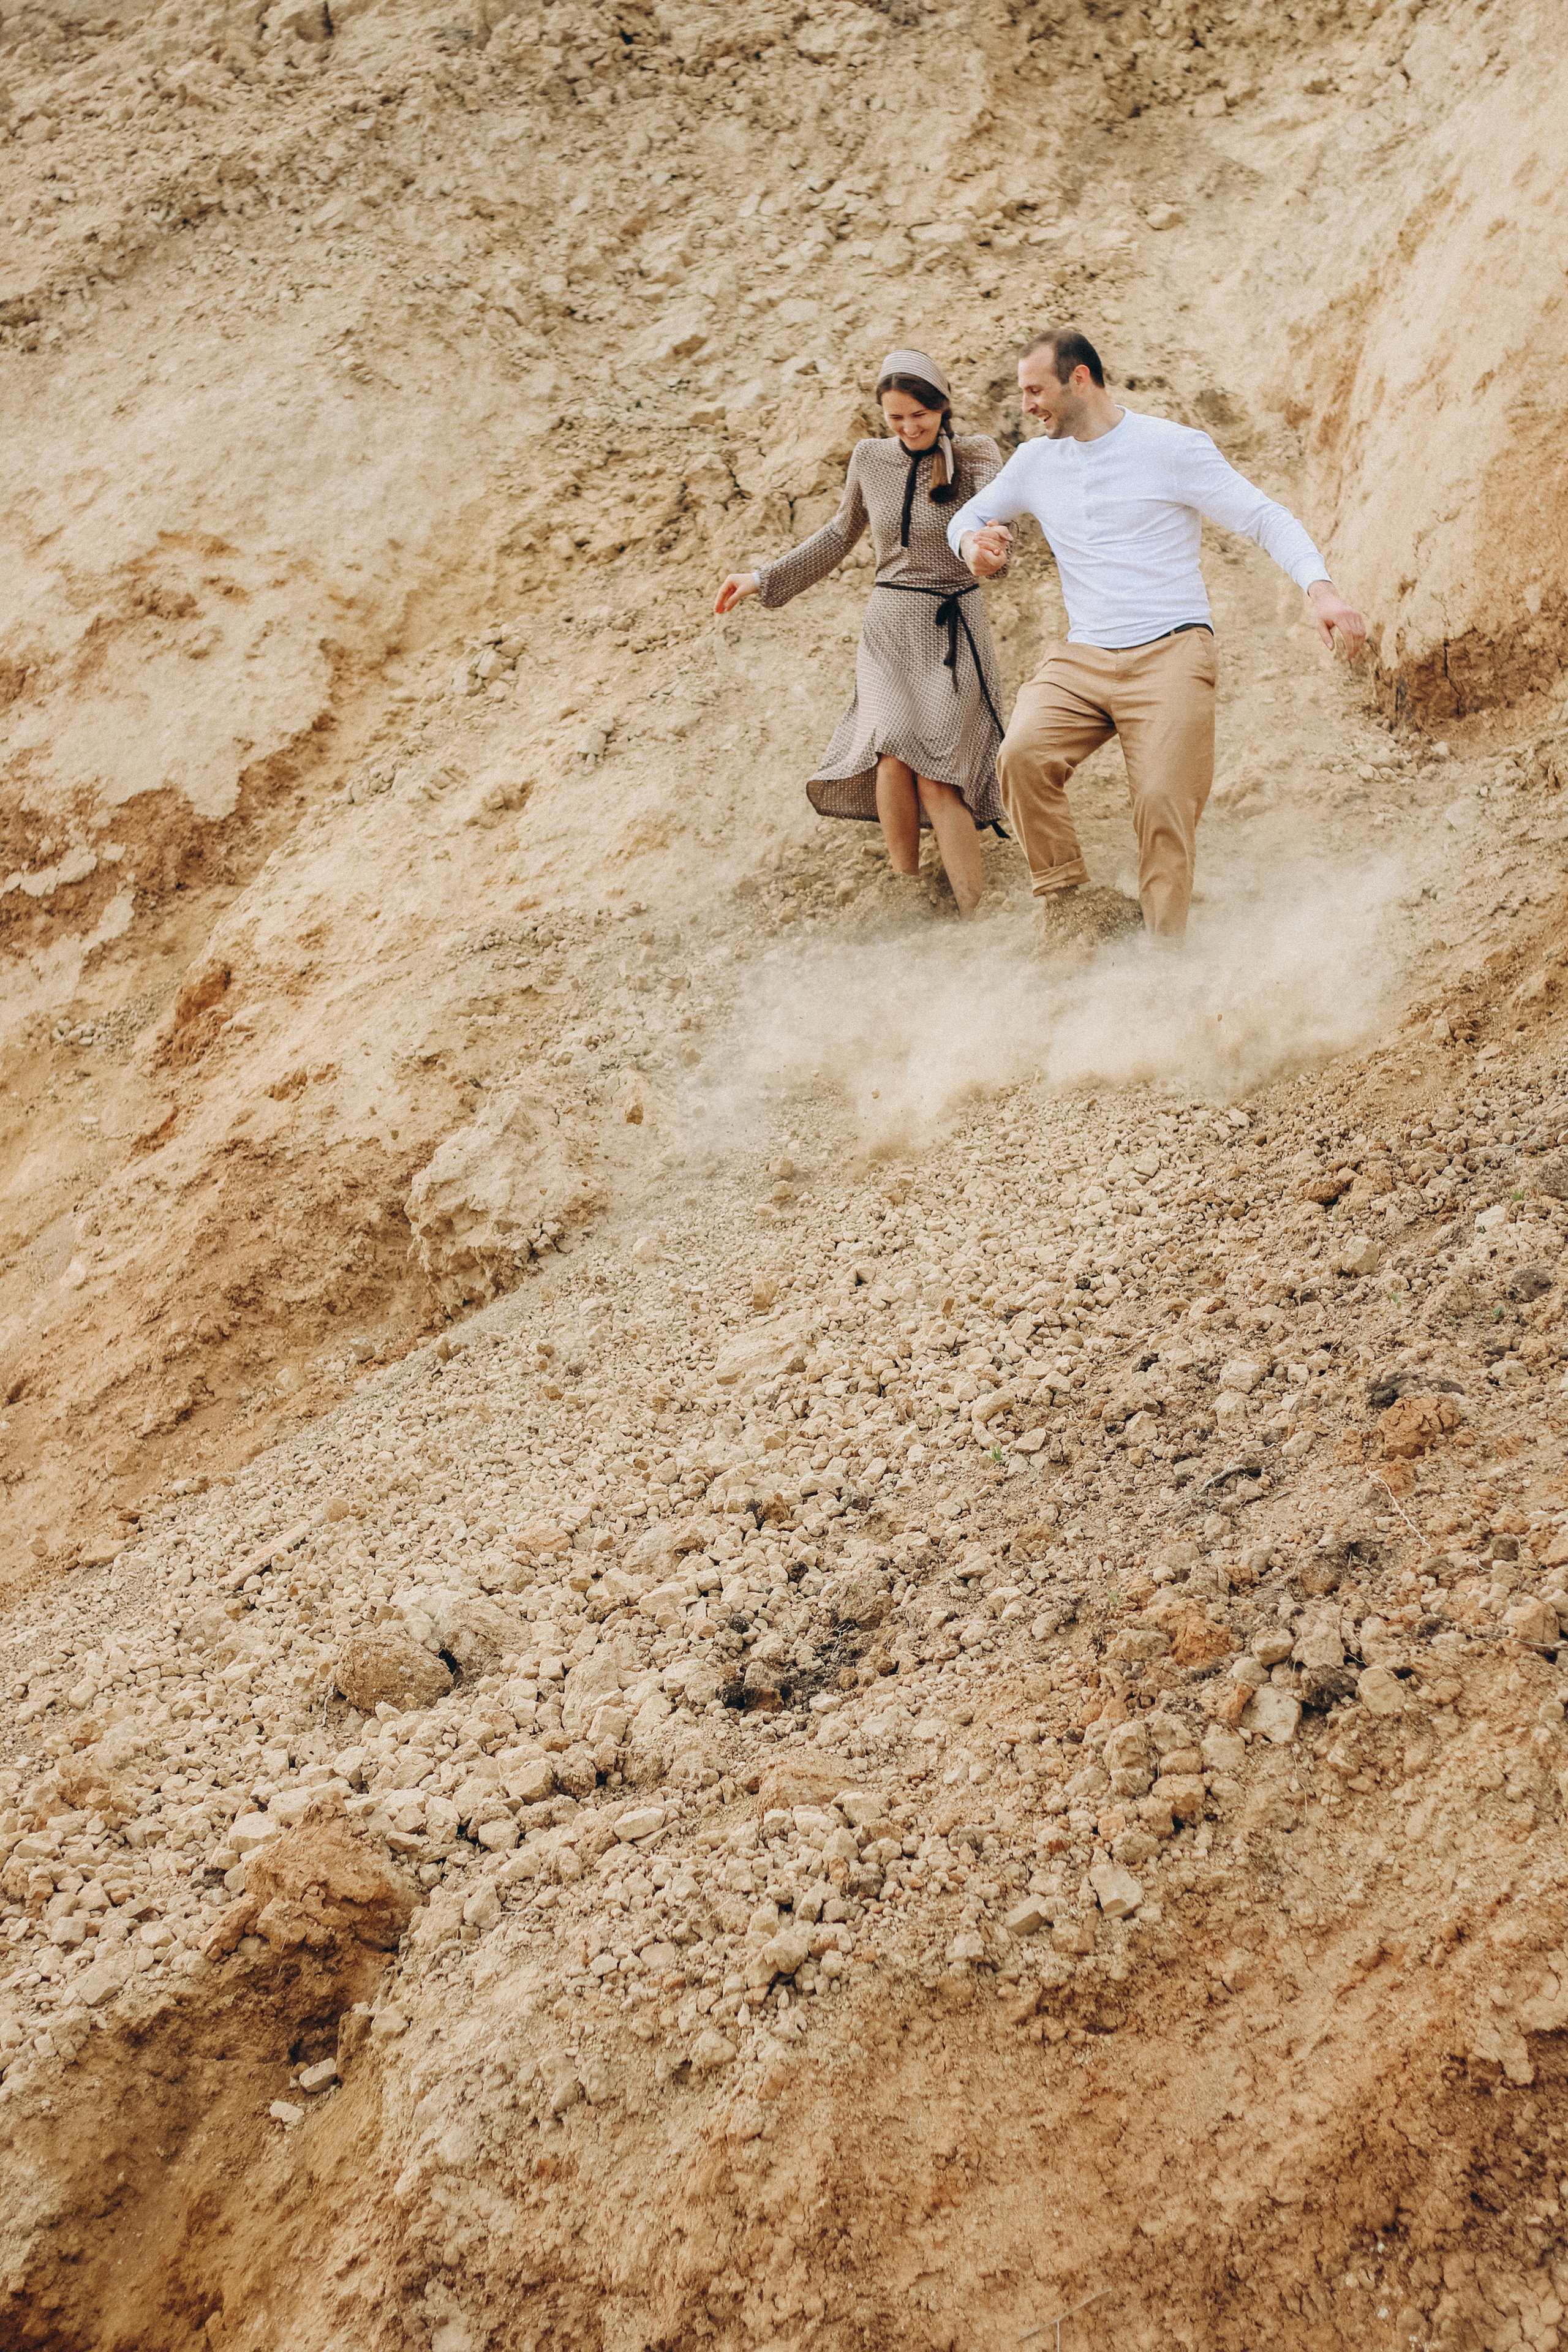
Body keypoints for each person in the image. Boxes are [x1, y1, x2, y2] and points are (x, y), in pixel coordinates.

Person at [944, 326, 1368, 941]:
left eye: (1036, 391)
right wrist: (973, 546)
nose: (1027, 406)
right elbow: (968, 517)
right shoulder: (1035, 461)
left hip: (1172, 649)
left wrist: (1321, 590)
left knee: (1163, 805)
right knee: (1021, 754)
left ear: (1080, 379)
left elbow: (1262, 517)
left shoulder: (1171, 447)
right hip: (1084, 654)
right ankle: (1067, 909)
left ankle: (1162, 963)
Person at [714, 349, 1010, 919]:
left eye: (920, 415)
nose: (909, 427)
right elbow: (837, 534)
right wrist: (759, 578)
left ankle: (976, 914)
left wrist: (989, 553)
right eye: (896, 418)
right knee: (891, 757)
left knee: (937, 774)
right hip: (889, 629)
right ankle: (907, 895)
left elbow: (998, 528)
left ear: (942, 406)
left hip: (951, 627)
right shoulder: (870, 459)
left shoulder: (976, 455)